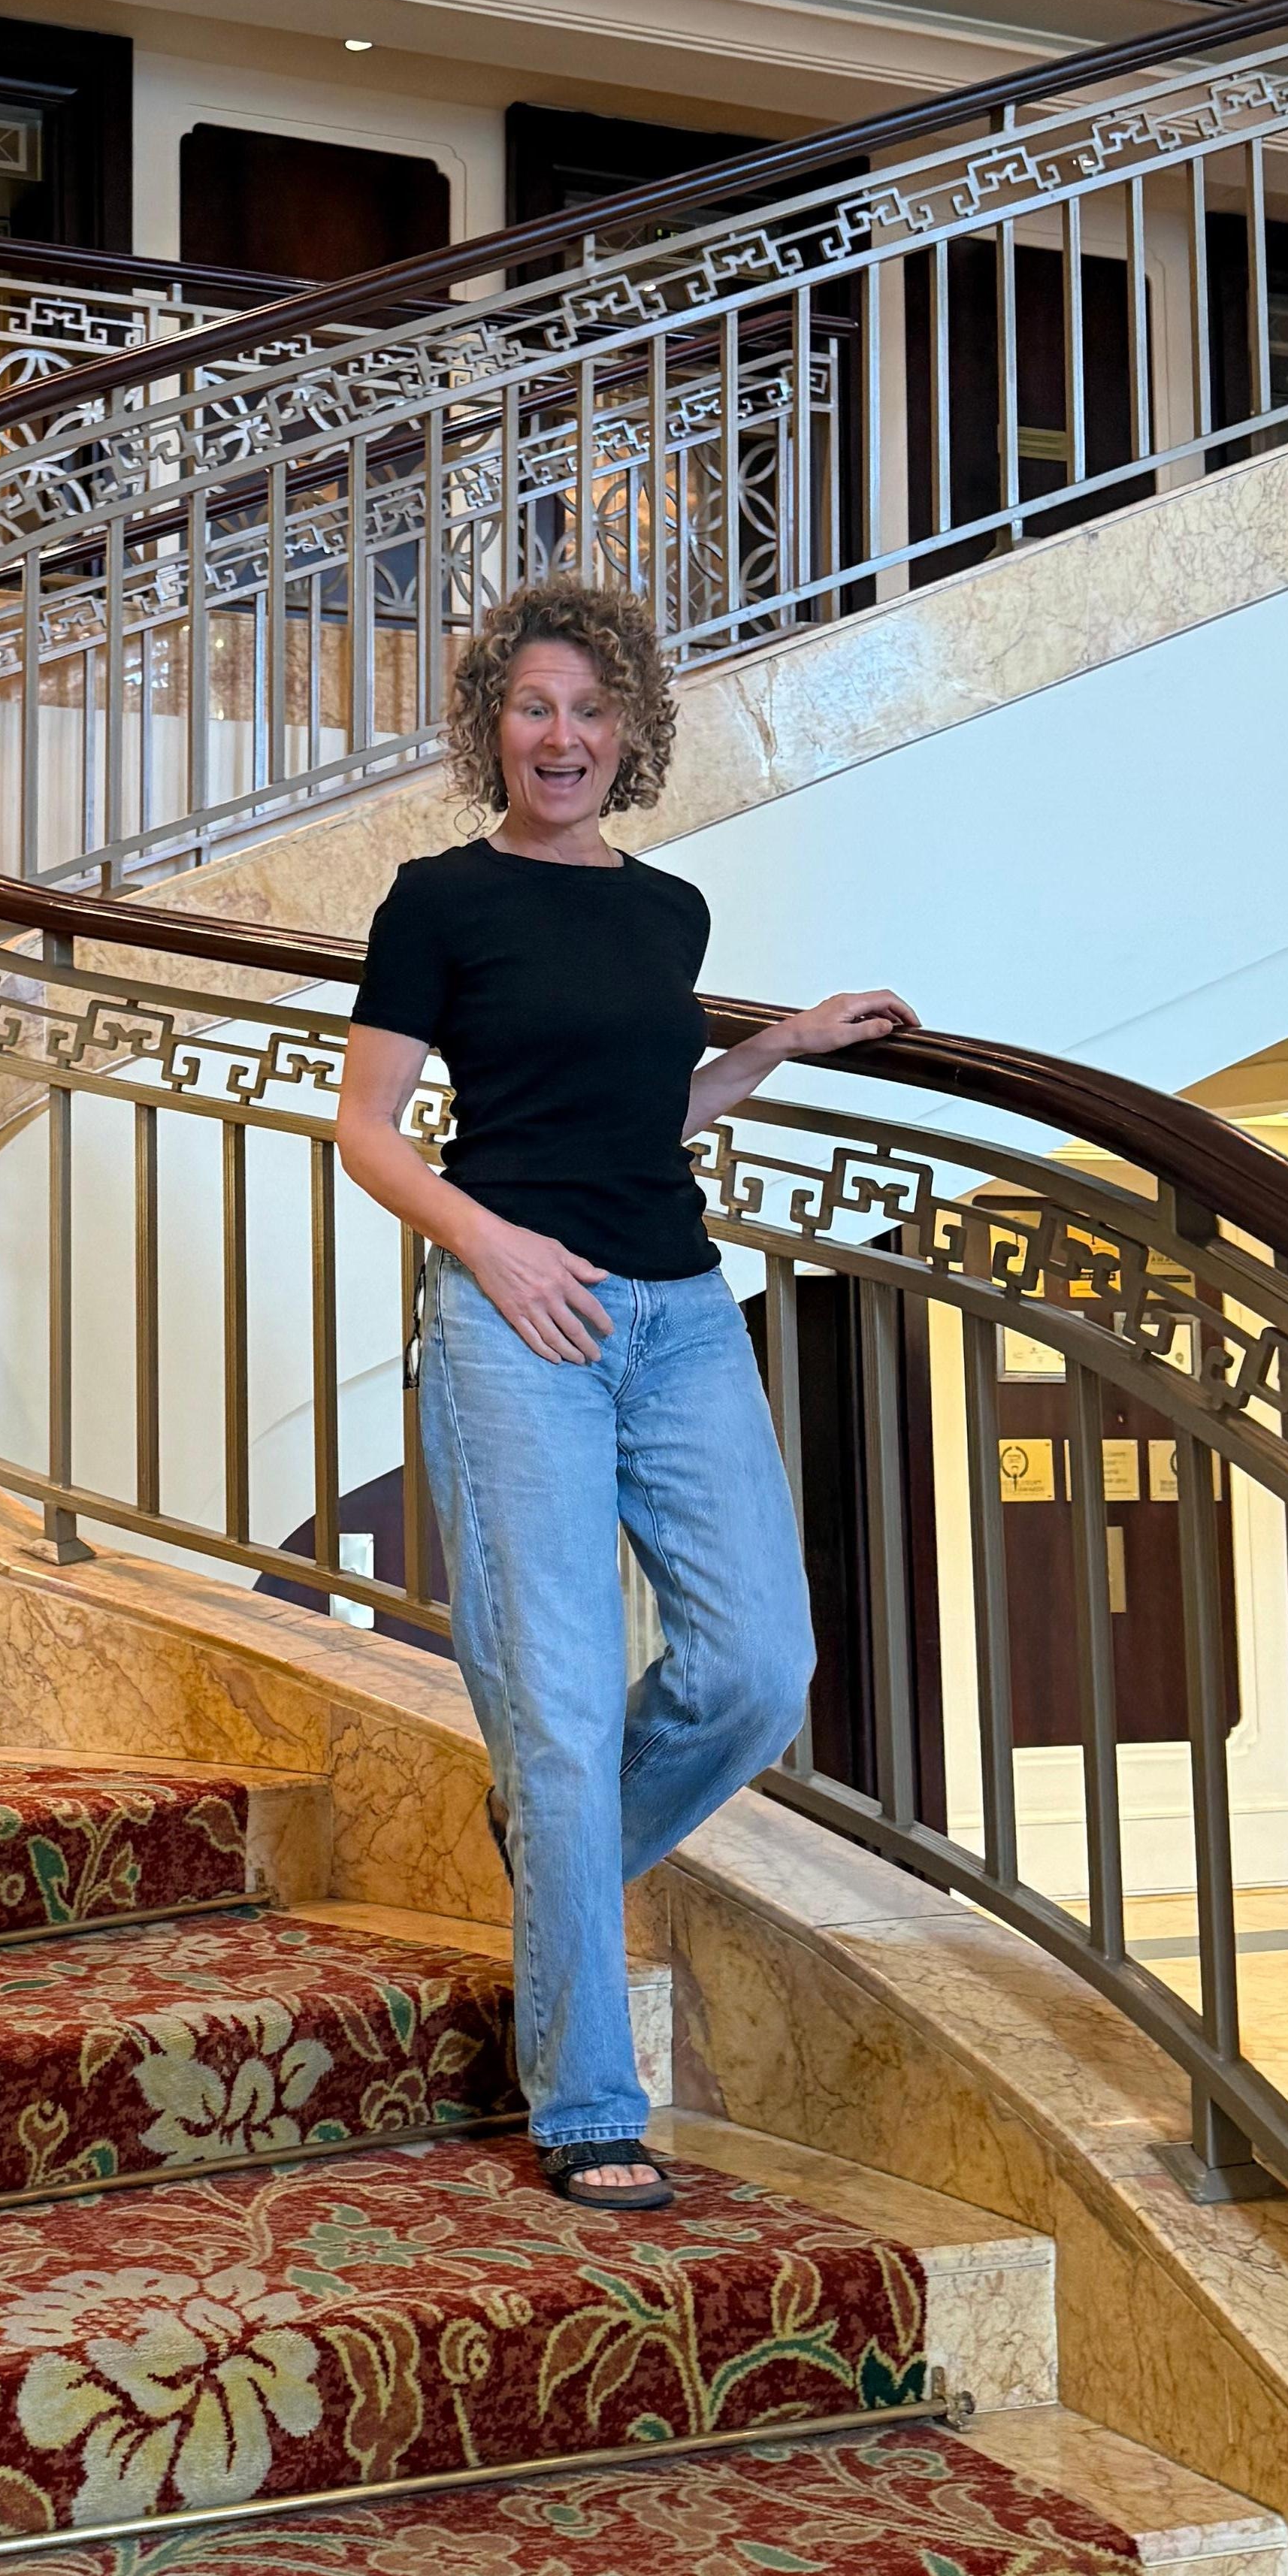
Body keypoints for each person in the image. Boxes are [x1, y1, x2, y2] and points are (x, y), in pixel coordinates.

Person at [333, 572, 915, 2213]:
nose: (563, 734)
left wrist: (772, 1048)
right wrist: (495, 1248)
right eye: (534, 706)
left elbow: (645, 1112)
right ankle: (590, 2103)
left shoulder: (670, 914)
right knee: (565, 1713)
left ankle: (555, 1840)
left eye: (591, 709)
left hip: (680, 1312)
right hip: (518, 1321)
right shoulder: (437, 901)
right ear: (492, 726)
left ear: (632, 730)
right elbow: (368, 1129)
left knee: (756, 1669)